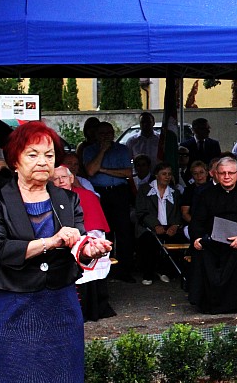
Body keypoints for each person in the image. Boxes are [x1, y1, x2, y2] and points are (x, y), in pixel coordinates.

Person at [0, 121, 111, 383]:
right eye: (33, 154)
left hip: (60, 302)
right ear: (15, 161)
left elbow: (77, 250)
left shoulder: (67, 199)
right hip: (16, 305)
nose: (42, 161)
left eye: (49, 155)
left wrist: (90, 248)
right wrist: (51, 242)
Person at [187, 156, 237, 313]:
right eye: (223, 173)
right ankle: (210, 304)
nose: (227, 176)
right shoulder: (206, 194)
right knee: (202, 255)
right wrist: (197, 238)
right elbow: (197, 221)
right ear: (216, 174)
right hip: (214, 242)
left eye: (230, 173)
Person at [52, 165, 115, 321]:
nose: (60, 181)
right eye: (55, 179)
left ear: (71, 179)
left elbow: (96, 228)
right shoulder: (47, 199)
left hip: (85, 244)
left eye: (64, 177)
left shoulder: (86, 196)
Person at [82, 121, 136, 281]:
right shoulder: (89, 150)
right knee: (104, 232)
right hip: (99, 194)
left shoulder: (122, 149)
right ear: (96, 135)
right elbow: (91, 170)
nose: (106, 136)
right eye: (102, 133)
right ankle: (105, 270)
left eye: (109, 133)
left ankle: (125, 270)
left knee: (124, 231)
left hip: (119, 193)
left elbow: (127, 173)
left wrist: (103, 169)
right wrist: (102, 151)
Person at [135, 161, 184, 285]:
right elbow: (141, 212)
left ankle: (166, 271)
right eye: (164, 174)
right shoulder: (144, 190)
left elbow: (178, 212)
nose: (167, 177)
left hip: (168, 225)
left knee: (176, 238)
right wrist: (155, 225)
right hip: (148, 226)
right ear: (156, 175)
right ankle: (148, 273)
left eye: (169, 174)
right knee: (148, 240)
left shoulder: (175, 192)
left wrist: (174, 225)